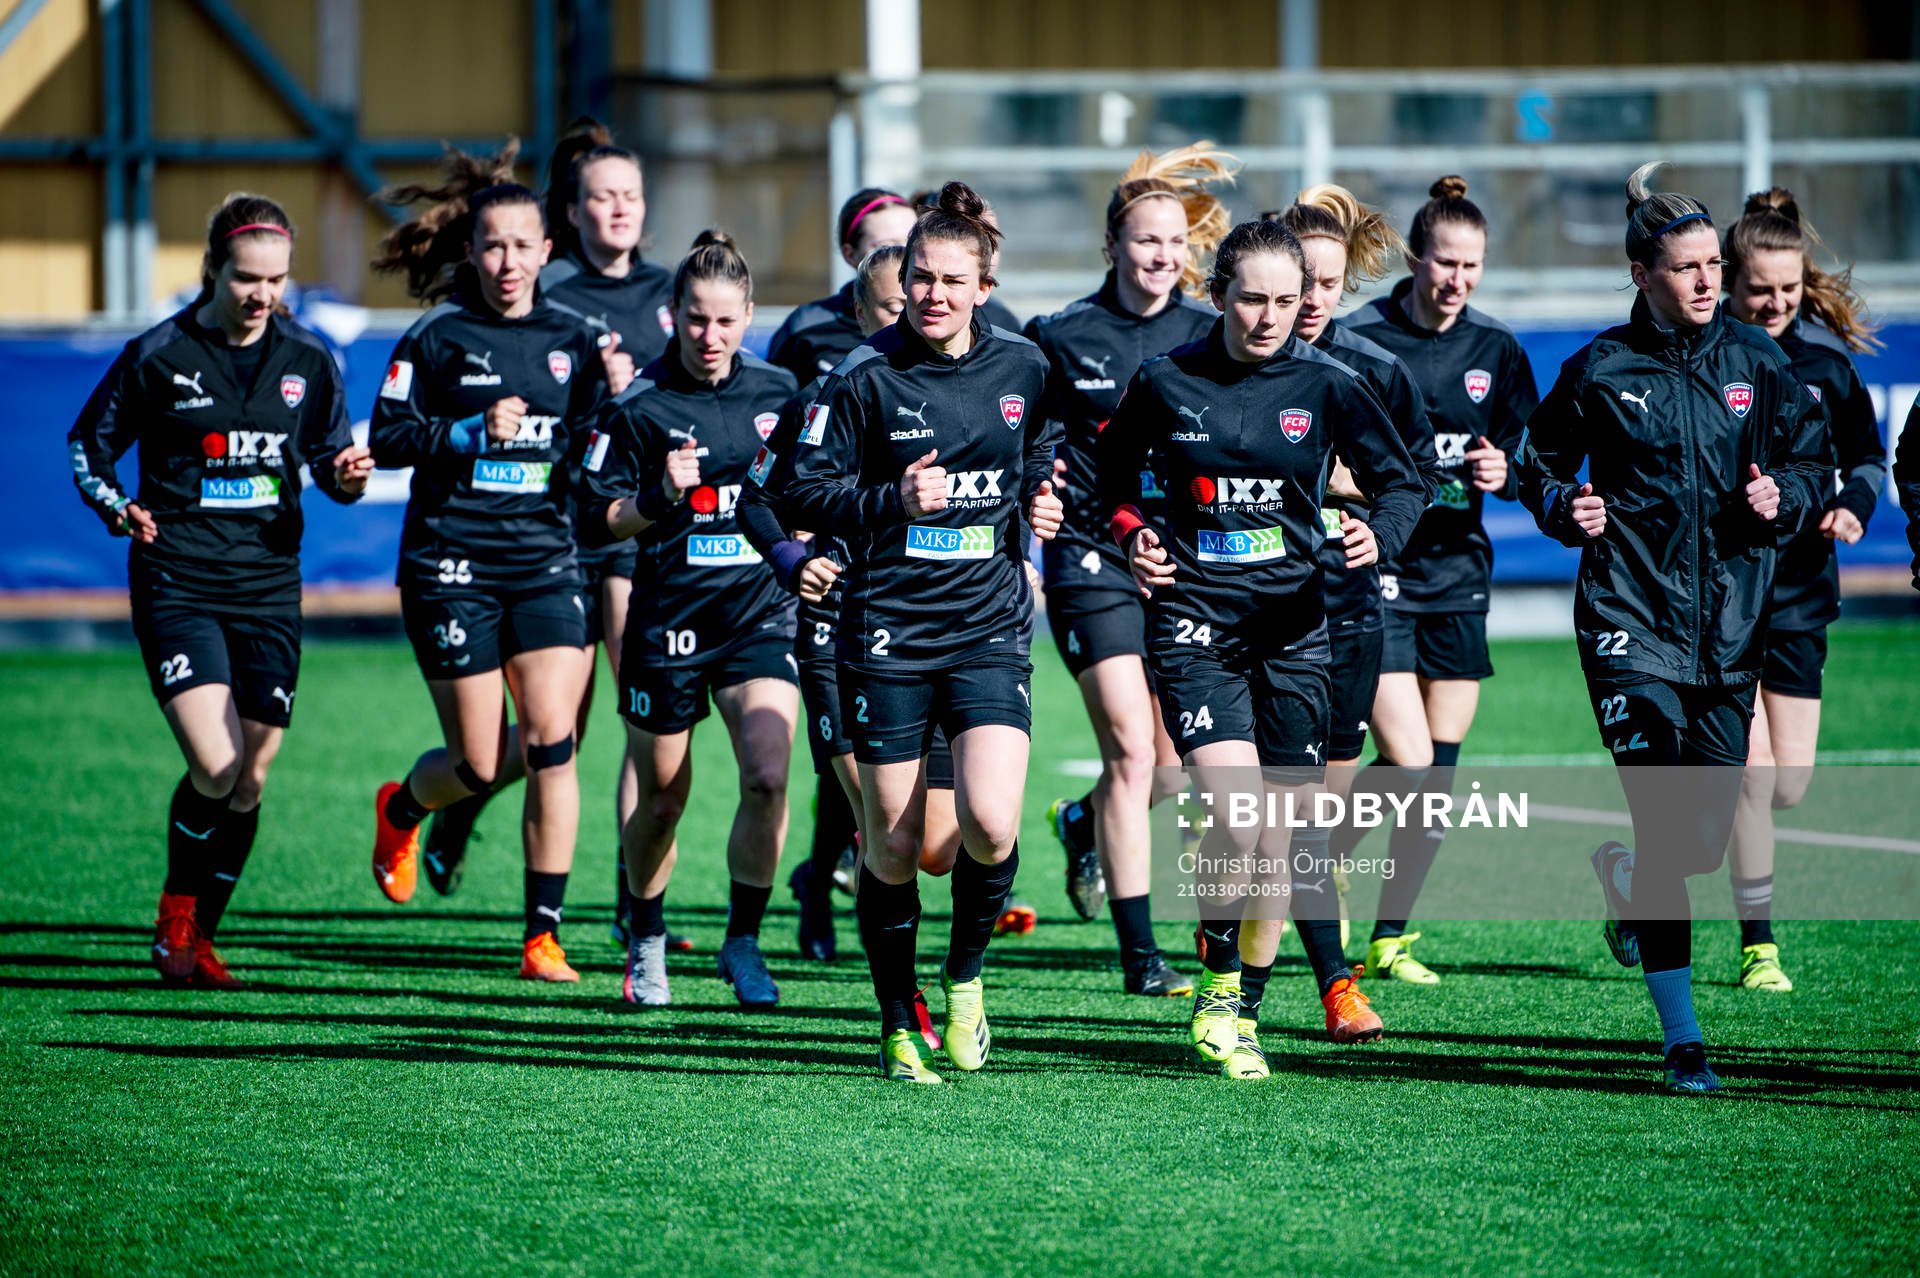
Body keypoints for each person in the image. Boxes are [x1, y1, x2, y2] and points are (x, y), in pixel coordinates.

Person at [1516, 162, 1826, 1093]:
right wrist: (1563, 507)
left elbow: (1813, 463)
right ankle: (1683, 1040)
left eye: (1712, 267)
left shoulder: (1757, 362)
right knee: (1663, 823)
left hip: (1730, 631)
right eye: (1686, 268)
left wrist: (1787, 497)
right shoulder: (1600, 369)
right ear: (1642, 275)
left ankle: (1625, 878)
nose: (1705, 282)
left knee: (1695, 844)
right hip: (1628, 623)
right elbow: (1539, 463)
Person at [1097, 218, 1426, 1079]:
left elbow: (1404, 483)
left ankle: (1238, 1007)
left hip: (1297, 629)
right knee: (1241, 823)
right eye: (1252, 299)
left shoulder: (1331, 383)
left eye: (1287, 300)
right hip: (1195, 625)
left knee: (1278, 842)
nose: (1271, 316)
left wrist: (1379, 535)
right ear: (1217, 295)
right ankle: (1218, 986)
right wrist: (1133, 534)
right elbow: (1109, 478)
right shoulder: (1165, 379)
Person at [783, 182, 1061, 1084]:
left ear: (984, 287)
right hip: (888, 630)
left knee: (990, 823)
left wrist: (1041, 497)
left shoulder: (1024, 365)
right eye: (920, 278)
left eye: (951, 280)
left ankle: (965, 979)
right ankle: (898, 1018)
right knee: (896, 846)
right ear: (900, 281)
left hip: (989, 627)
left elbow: (1045, 446)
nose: (934, 294)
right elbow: (801, 488)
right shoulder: (859, 375)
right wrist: (890, 500)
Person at [67, 193, 371, 987]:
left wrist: (345, 477)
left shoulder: (309, 360)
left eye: (275, 279)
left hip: (268, 585)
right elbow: (88, 445)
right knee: (217, 764)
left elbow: (332, 465)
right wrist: (115, 506)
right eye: (246, 278)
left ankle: (202, 936)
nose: (262, 294)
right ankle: (176, 907)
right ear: (212, 269)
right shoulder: (158, 354)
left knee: (251, 778)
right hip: (179, 578)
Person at [418, 122, 691, 949]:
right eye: (603, 196)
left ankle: (630, 904)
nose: (621, 208)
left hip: (637, 528)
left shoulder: (667, 292)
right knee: (560, 730)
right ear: (570, 214)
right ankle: (461, 801)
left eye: (632, 195)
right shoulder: (551, 287)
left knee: (629, 716)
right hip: (566, 534)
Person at [366, 143, 606, 981]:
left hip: (545, 561)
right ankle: (403, 808)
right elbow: (388, 436)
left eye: (522, 246)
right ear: (470, 252)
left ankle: (542, 936)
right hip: (451, 561)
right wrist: (467, 433)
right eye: (492, 246)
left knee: (552, 743)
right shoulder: (435, 336)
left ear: (548, 251)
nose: (508, 262)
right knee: (475, 762)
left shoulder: (575, 341)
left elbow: (598, 446)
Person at [1027, 143, 1235, 997]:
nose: (1161, 255)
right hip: (1091, 556)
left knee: (1175, 767)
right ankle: (1142, 956)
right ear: (1111, 244)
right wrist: (1034, 493)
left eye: (1175, 241)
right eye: (1146, 239)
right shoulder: (1061, 336)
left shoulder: (1206, 334)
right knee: (1131, 748)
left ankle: (1082, 822)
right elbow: (1022, 434)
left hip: (1180, 561)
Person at [578, 231, 802, 1007]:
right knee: (663, 799)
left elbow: (808, 487)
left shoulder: (780, 393)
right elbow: (595, 520)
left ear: (749, 316)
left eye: (726, 321)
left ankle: (743, 943)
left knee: (768, 777)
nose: (711, 336)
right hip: (668, 620)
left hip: (759, 616)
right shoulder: (636, 406)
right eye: (697, 319)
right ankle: (645, 936)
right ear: (673, 314)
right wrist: (658, 497)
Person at [1339, 176, 1538, 984]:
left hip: (1457, 572)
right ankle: (1312, 860)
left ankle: (1391, 935)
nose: (1458, 279)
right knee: (1406, 755)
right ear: (1416, 258)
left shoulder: (1497, 350)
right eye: (1446, 261)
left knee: (1436, 771)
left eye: (1472, 265)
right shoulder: (1361, 339)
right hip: (1379, 565)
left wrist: (1506, 471)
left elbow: (1533, 460)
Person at [1265, 186, 1442, 955]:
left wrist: (1371, 515)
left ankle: (1311, 870)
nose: (1311, 297)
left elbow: (1419, 478)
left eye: (1328, 283)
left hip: (1349, 592)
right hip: (1252, 597)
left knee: (1410, 759)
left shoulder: (1373, 367)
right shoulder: (1237, 359)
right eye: (1300, 280)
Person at [1719, 187, 1887, 993]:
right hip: (1721, 595)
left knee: (1787, 784)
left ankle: (1645, 864)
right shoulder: (1705, 360)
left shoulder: (1826, 367)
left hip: (1801, 594)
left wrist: (1853, 507)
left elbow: (1868, 459)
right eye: (1761, 289)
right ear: (1728, 281)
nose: (1777, 302)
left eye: (1788, 288)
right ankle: (1759, 946)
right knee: (1750, 776)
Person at [765, 188, 919, 384]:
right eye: (885, 247)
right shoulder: (807, 327)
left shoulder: (939, 317)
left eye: (912, 243)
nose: (902, 256)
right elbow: (775, 395)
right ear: (850, 254)